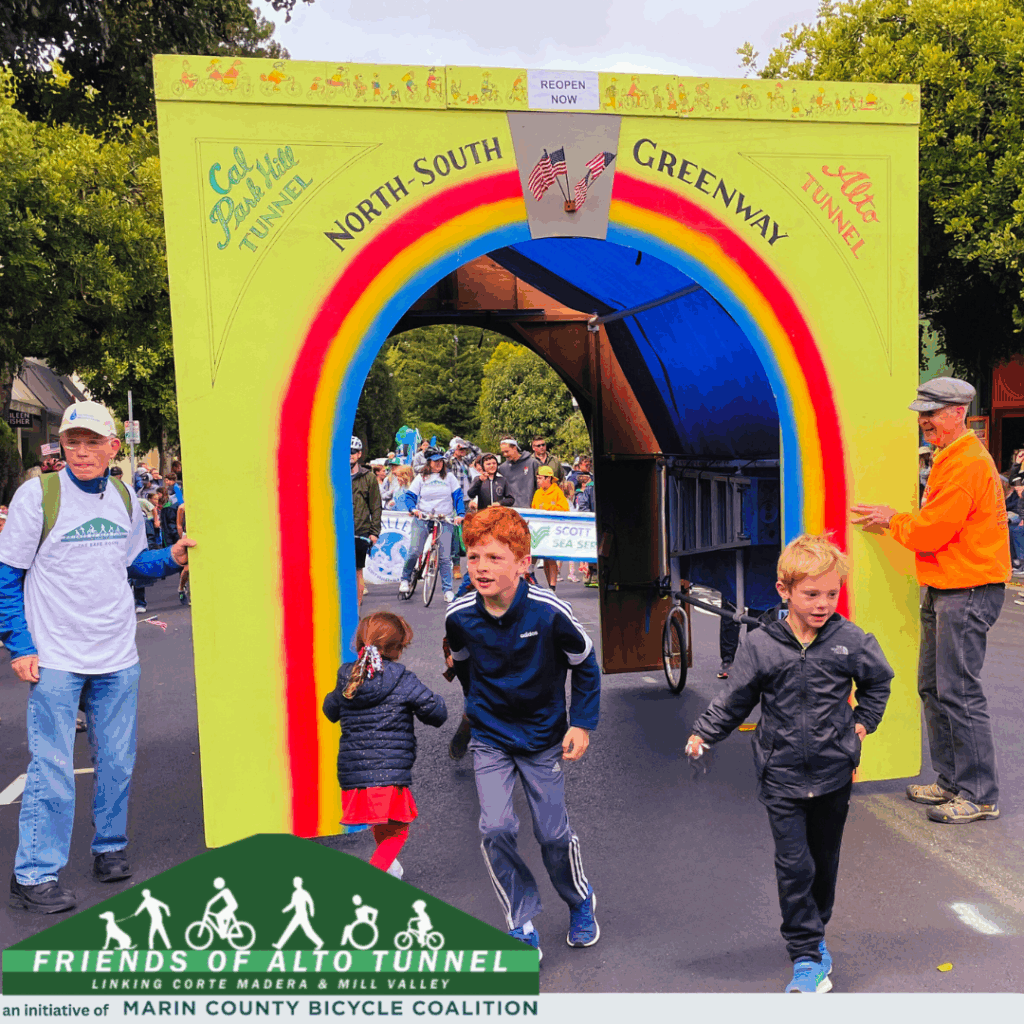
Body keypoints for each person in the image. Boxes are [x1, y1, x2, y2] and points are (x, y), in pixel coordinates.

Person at [2, 400, 195, 913]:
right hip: (57, 656)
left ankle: (109, 849)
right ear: (60, 447)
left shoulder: (124, 496)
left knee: (117, 761)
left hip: (116, 653)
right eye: (72, 443)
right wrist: (19, 645)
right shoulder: (37, 496)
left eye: (92, 443)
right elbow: (7, 575)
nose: (82, 452)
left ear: (114, 448)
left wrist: (169, 557)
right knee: (52, 769)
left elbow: (132, 563)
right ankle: (33, 874)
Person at [685, 534, 893, 993]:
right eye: (811, 594)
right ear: (784, 591)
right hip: (780, 775)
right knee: (794, 865)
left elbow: (878, 683)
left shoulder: (850, 641)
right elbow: (735, 699)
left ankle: (815, 935)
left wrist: (861, 725)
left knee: (823, 863)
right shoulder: (761, 645)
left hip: (833, 774)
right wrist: (704, 732)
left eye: (831, 594)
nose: (823, 604)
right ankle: (805, 953)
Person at [851, 376, 1009, 824]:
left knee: (957, 691)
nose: (924, 421)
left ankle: (979, 794)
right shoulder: (953, 457)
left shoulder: (964, 464)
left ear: (958, 413)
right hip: (949, 585)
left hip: (966, 588)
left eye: (933, 412)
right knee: (936, 688)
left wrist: (892, 519)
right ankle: (952, 781)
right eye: (922, 413)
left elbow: (931, 531)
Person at [445, 506, 600, 958]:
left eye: (494, 558)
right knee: (495, 827)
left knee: (552, 834)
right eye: (473, 557)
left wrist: (582, 723)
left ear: (523, 562)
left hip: (542, 737)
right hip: (490, 736)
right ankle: (521, 919)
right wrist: (478, 709)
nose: (481, 568)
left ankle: (580, 901)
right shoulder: (460, 615)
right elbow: (464, 664)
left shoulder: (549, 612)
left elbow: (585, 665)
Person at [322, 611, 447, 878]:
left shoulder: (347, 678)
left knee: (384, 825)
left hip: (354, 775)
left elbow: (330, 711)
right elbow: (436, 714)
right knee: (399, 828)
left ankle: (390, 869)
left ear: (359, 644)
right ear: (398, 649)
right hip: (389, 774)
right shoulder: (402, 679)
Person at [398, 447, 465, 603]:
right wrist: (414, 509)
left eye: (441, 460)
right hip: (423, 516)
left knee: (444, 556)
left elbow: (458, 497)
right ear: (429, 462)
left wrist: (460, 515)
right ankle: (405, 579)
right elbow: (410, 497)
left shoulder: (449, 477)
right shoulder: (421, 478)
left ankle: (447, 590)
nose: (439, 464)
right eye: (435, 461)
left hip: (444, 519)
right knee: (415, 550)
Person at [350, 437, 382, 611]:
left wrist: (374, 531)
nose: (350, 455)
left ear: (359, 454)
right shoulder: (335, 474)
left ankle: (356, 608)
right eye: (347, 451)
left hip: (360, 530)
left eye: (353, 452)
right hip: (338, 531)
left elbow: (375, 506)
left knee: (357, 570)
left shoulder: (368, 477)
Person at [531, 466, 570, 591]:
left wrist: (547, 507)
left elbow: (565, 509)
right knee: (534, 556)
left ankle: (552, 587)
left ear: (548, 478)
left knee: (550, 559)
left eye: (540, 478)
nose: (538, 481)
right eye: (537, 478)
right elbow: (533, 509)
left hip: (552, 530)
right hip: (538, 530)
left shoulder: (557, 492)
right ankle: (530, 579)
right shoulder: (538, 493)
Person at [496, 438, 540, 509]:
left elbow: (541, 487)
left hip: (530, 509)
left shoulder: (532, 463)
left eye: (507, 451)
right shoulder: (502, 468)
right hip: (510, 510)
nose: (505, 454)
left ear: (514, 448)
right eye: (503, 452)